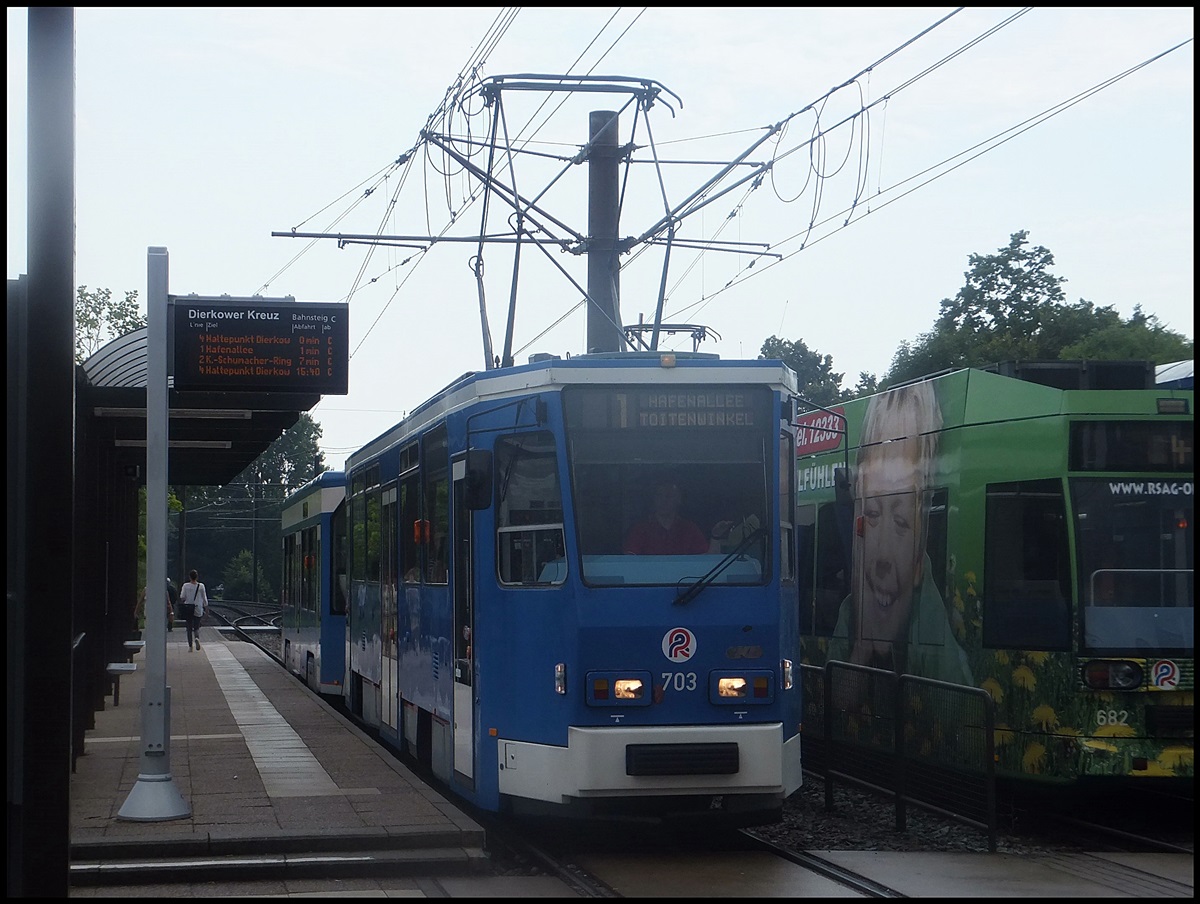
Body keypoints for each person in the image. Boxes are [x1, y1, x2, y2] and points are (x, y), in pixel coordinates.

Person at [830, 382, 972, 688]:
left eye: (901, 521)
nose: (881, 554)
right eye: (871, 515)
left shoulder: (937, 642)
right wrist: (861, 649)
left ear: (920, 559)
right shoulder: (846, 615)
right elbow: (835, 708)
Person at [623, 479, 733, 556]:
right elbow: (629, 562)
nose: (664, 501)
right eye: (659, 495)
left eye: (669, 496)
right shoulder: (640, 529)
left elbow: (708, 564)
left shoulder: (690, 529)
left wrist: (716, 536)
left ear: (679, 500)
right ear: (653, 499)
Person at [179, 569, 209, 651]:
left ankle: (190, 647)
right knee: (196, 626)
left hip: (188, 608)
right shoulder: (201, 586)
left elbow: (182, 597)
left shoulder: (185, 586)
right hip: (198, 608)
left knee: (189, 627)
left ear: (189, 577)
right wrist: (206, 609)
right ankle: (197, 638)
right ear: (197, 577)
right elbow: (204, 598)